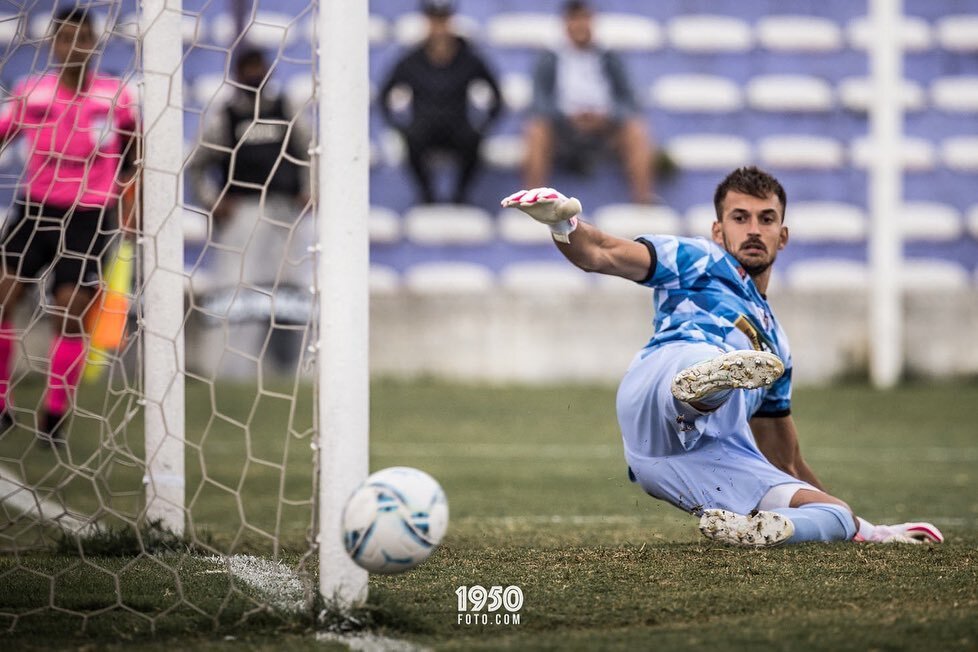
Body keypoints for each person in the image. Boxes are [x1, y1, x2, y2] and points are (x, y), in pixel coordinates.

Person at [501, 169, 944, 547]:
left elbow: (783, 458)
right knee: (705, 357)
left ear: (782, 236)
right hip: (657, 394)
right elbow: (602, 252)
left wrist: (870, 529)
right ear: (719, 230)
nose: (754, 229)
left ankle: (762, 528)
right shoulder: (701, 259)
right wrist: (565, 226)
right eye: (740, 218)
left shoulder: (778, 348)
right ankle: (703, 386)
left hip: (702, 461)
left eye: (766, 219)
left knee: (836, 515)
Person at [0, 6, 139, 444]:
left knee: (70, 311)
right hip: (35, 209)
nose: (74, 46)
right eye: (65, 39)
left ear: (95, 43)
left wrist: (132, 202)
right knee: (3, 296)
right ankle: (1, 402)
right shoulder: (29, 94)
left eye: (82, 38)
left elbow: (133, 154)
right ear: (52, 45)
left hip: (89, 216)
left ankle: (54, 415)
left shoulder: (116, 97)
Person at [187, 46, 313, 378]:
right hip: (243, 212)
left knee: (287, 293)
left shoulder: (286, 109)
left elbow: (313, 150)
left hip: (285, 213)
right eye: (249, 67)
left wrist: (310, 189)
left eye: (261, 66)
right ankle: (230, 369)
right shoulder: (225, 117)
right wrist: (212, 202)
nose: (255, 74)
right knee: (238, 292)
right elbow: (196, 163)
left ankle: (289, 369)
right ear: (238, 73)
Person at [523, 0, 655, 204]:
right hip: (563, 130)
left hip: (604, 129)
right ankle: (534, 200)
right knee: (536, 129)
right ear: (566, 23)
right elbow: (539, 100)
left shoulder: (609, 57)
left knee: (636, 130)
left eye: (585, 19)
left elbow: (629, 99)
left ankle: (643, 198)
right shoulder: (550, 57)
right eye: (575, 19)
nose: (580, 25)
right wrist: (567, 116)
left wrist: (606, 116)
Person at [378, 0, 502, 205]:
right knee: (411, 139)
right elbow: (385, 94)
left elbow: (496, 94)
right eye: (434, 20)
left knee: (474, 139)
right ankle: (427, 195)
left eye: (443, 20)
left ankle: (460, 196)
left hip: (457, 127)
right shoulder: (412, 59)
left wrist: (485, 124)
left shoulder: (468, 57)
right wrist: (399, 127)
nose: (439, 27)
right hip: (424, 127)